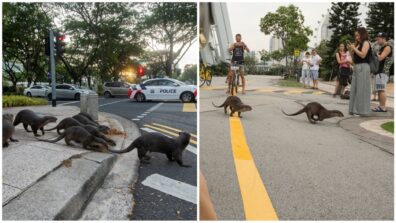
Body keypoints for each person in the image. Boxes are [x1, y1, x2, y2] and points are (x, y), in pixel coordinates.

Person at [347, 27, 371, 116]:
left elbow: (363, 55)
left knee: (362, 89)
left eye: (358, 35)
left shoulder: (366, 43)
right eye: (355, 36)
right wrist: (350, 49)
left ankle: (362, 111)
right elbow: (354, 58)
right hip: (356, 67)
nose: (356, 37)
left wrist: (354, 48)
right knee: (355, 89)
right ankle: (354, 109)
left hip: (363, 67)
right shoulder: (358, 44)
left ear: (362, 34)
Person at [372, 32, 393, 112]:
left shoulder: (387, 47)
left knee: (381, 89)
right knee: (380, 89)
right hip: (380, 71)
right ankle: (381, 106)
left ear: (384, 38)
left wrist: (376, 54)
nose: (377, 40)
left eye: (379, 38)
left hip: (383, 72)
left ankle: (383, 107)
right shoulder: (382, 47)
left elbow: (380, 58)